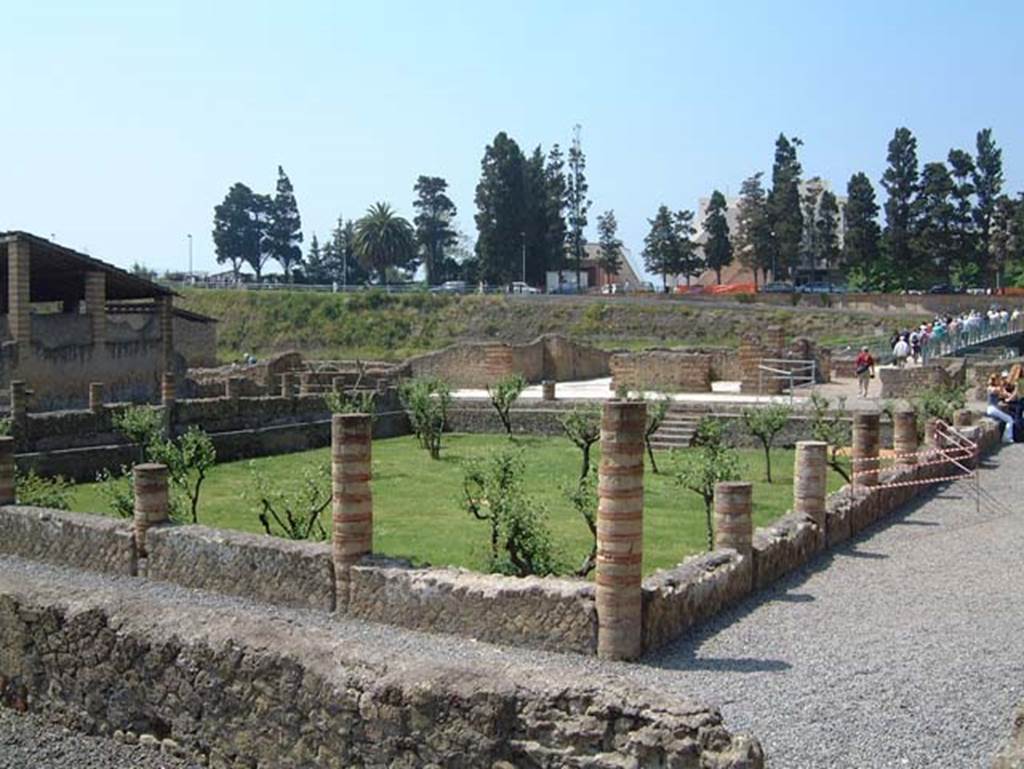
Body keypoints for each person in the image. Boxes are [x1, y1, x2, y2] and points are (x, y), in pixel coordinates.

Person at [986, 373, 1016, 444]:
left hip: (993, 409)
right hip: (992, 408)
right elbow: (1000, 392)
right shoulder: (991, 388)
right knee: (1010, 419)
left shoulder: (995, 388)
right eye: (998, 379)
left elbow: (1005, 395)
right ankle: (1007, 437)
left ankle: (1004, 436)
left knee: (1003, 420)